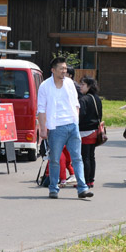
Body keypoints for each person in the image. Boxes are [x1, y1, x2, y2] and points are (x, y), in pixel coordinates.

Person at [37, 57, 92, 200]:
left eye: (65, 68)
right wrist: (43, 129)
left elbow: (76, 104)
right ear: (53, 70)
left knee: (77, 158)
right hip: (56, 127)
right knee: (55, 159)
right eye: (61, 68)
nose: (64, 71)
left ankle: (82, 188)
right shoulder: (45, 86)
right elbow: (41, 109)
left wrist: (76, 121)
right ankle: (53, 188)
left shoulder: (70, 84)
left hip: (72, 125)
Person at [78, 76, 102, 189]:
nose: (80, 87)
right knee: (91, 156)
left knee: (85, 157)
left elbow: (80, 115)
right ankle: (91, 180)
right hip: (95, 131)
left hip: (84, 131)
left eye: (83, 84)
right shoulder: (96, 98)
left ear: (89, 86)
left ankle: (86, 180)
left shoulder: (83, 99)